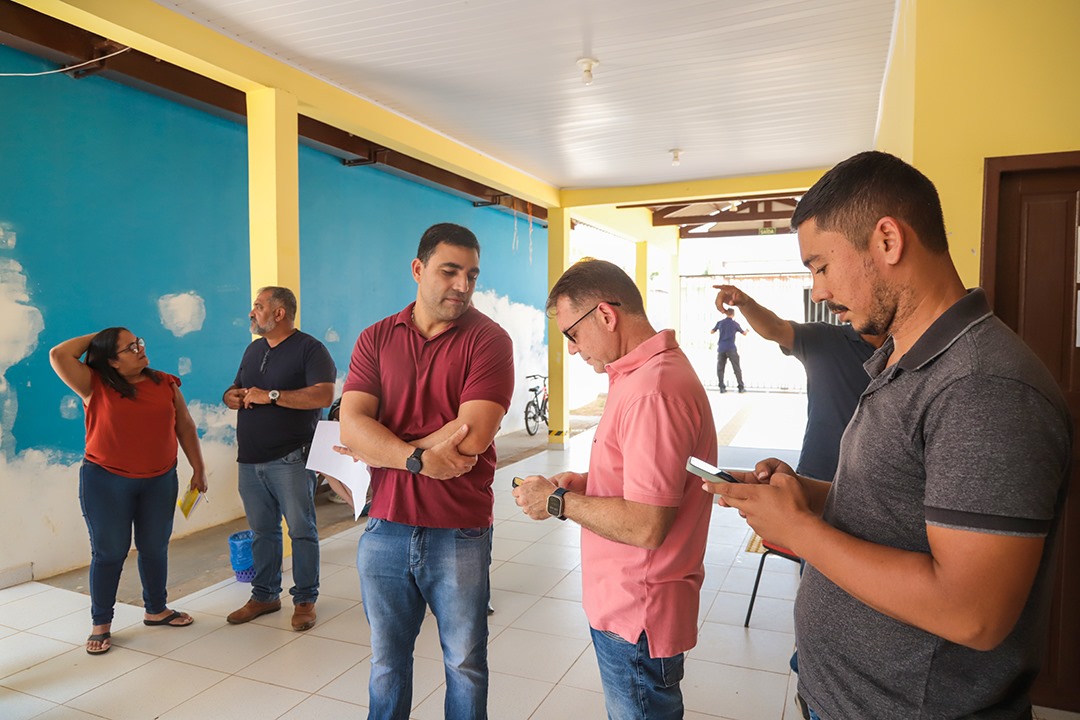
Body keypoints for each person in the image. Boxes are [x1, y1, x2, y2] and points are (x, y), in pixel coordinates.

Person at [705, 151, 1071, 720]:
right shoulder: (905, 361)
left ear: (887, 241)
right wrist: (806, 495)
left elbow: (972, 613)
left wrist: (798, 530)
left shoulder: (982, 386)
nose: (817, 291)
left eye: (821, 266)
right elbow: (902, 506)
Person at [513, 258, 717, 720]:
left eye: (572, 334)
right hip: (626, 604)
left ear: (605, 315)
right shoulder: (639, 376)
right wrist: (588, 484)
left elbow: (646, 524)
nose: (572, 349)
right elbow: (651, 484)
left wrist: (558, 501)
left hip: (637, 611)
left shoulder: (653, 391)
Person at [337, 222, 514, 719]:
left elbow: (472, 436)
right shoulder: (376, 338)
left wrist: (384, 448)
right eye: (449, 271)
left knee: (464, 663)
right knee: (386, 663)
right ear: (418, 269)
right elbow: (351, 426)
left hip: (459, 529)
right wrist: (416, 458)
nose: (462, 284)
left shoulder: (489, 340)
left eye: (472, 275)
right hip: (385, 525)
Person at [49, 329, 207, 655]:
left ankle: (156, 609)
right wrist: (104, 334)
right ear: (112, 361)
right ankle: (101, 623)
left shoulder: (165, 383)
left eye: (139, 343)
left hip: (160, 480)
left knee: (154, 547)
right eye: (130, 347)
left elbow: (185, 426)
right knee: (109, 552)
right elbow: (59, 354)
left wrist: (198, 469)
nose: (140, 349)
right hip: (106, 482)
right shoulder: (93, 383)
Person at [222, 286, 335, 632]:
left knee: (301, 531)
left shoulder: (310, 349)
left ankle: (304, 600)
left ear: (279, 313)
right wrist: (231, 396)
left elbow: (323, 395)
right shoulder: (254, 349)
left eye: (258, 306)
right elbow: (236, 387)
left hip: (290, 459)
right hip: (249, 460)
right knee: (263, 532)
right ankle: (265, 595)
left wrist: (270, 396)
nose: (251, 312)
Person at [712, 284, 883, 482]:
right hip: (815, 477)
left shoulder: (905, 355)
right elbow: (775, 327)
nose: (819, 295)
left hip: (876, 486)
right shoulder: (824, 339)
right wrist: (745, 303)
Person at [709, 306, 747, 392]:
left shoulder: (720, 323)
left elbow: (712, 331)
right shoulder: (735, 324)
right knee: (736, 368)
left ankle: (722, 388)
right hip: (731, 348)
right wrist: (747, 331)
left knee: (720, 368)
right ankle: (741, 387)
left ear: (726, 313)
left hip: (721, 348)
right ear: (733, 314)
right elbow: (744, 333)